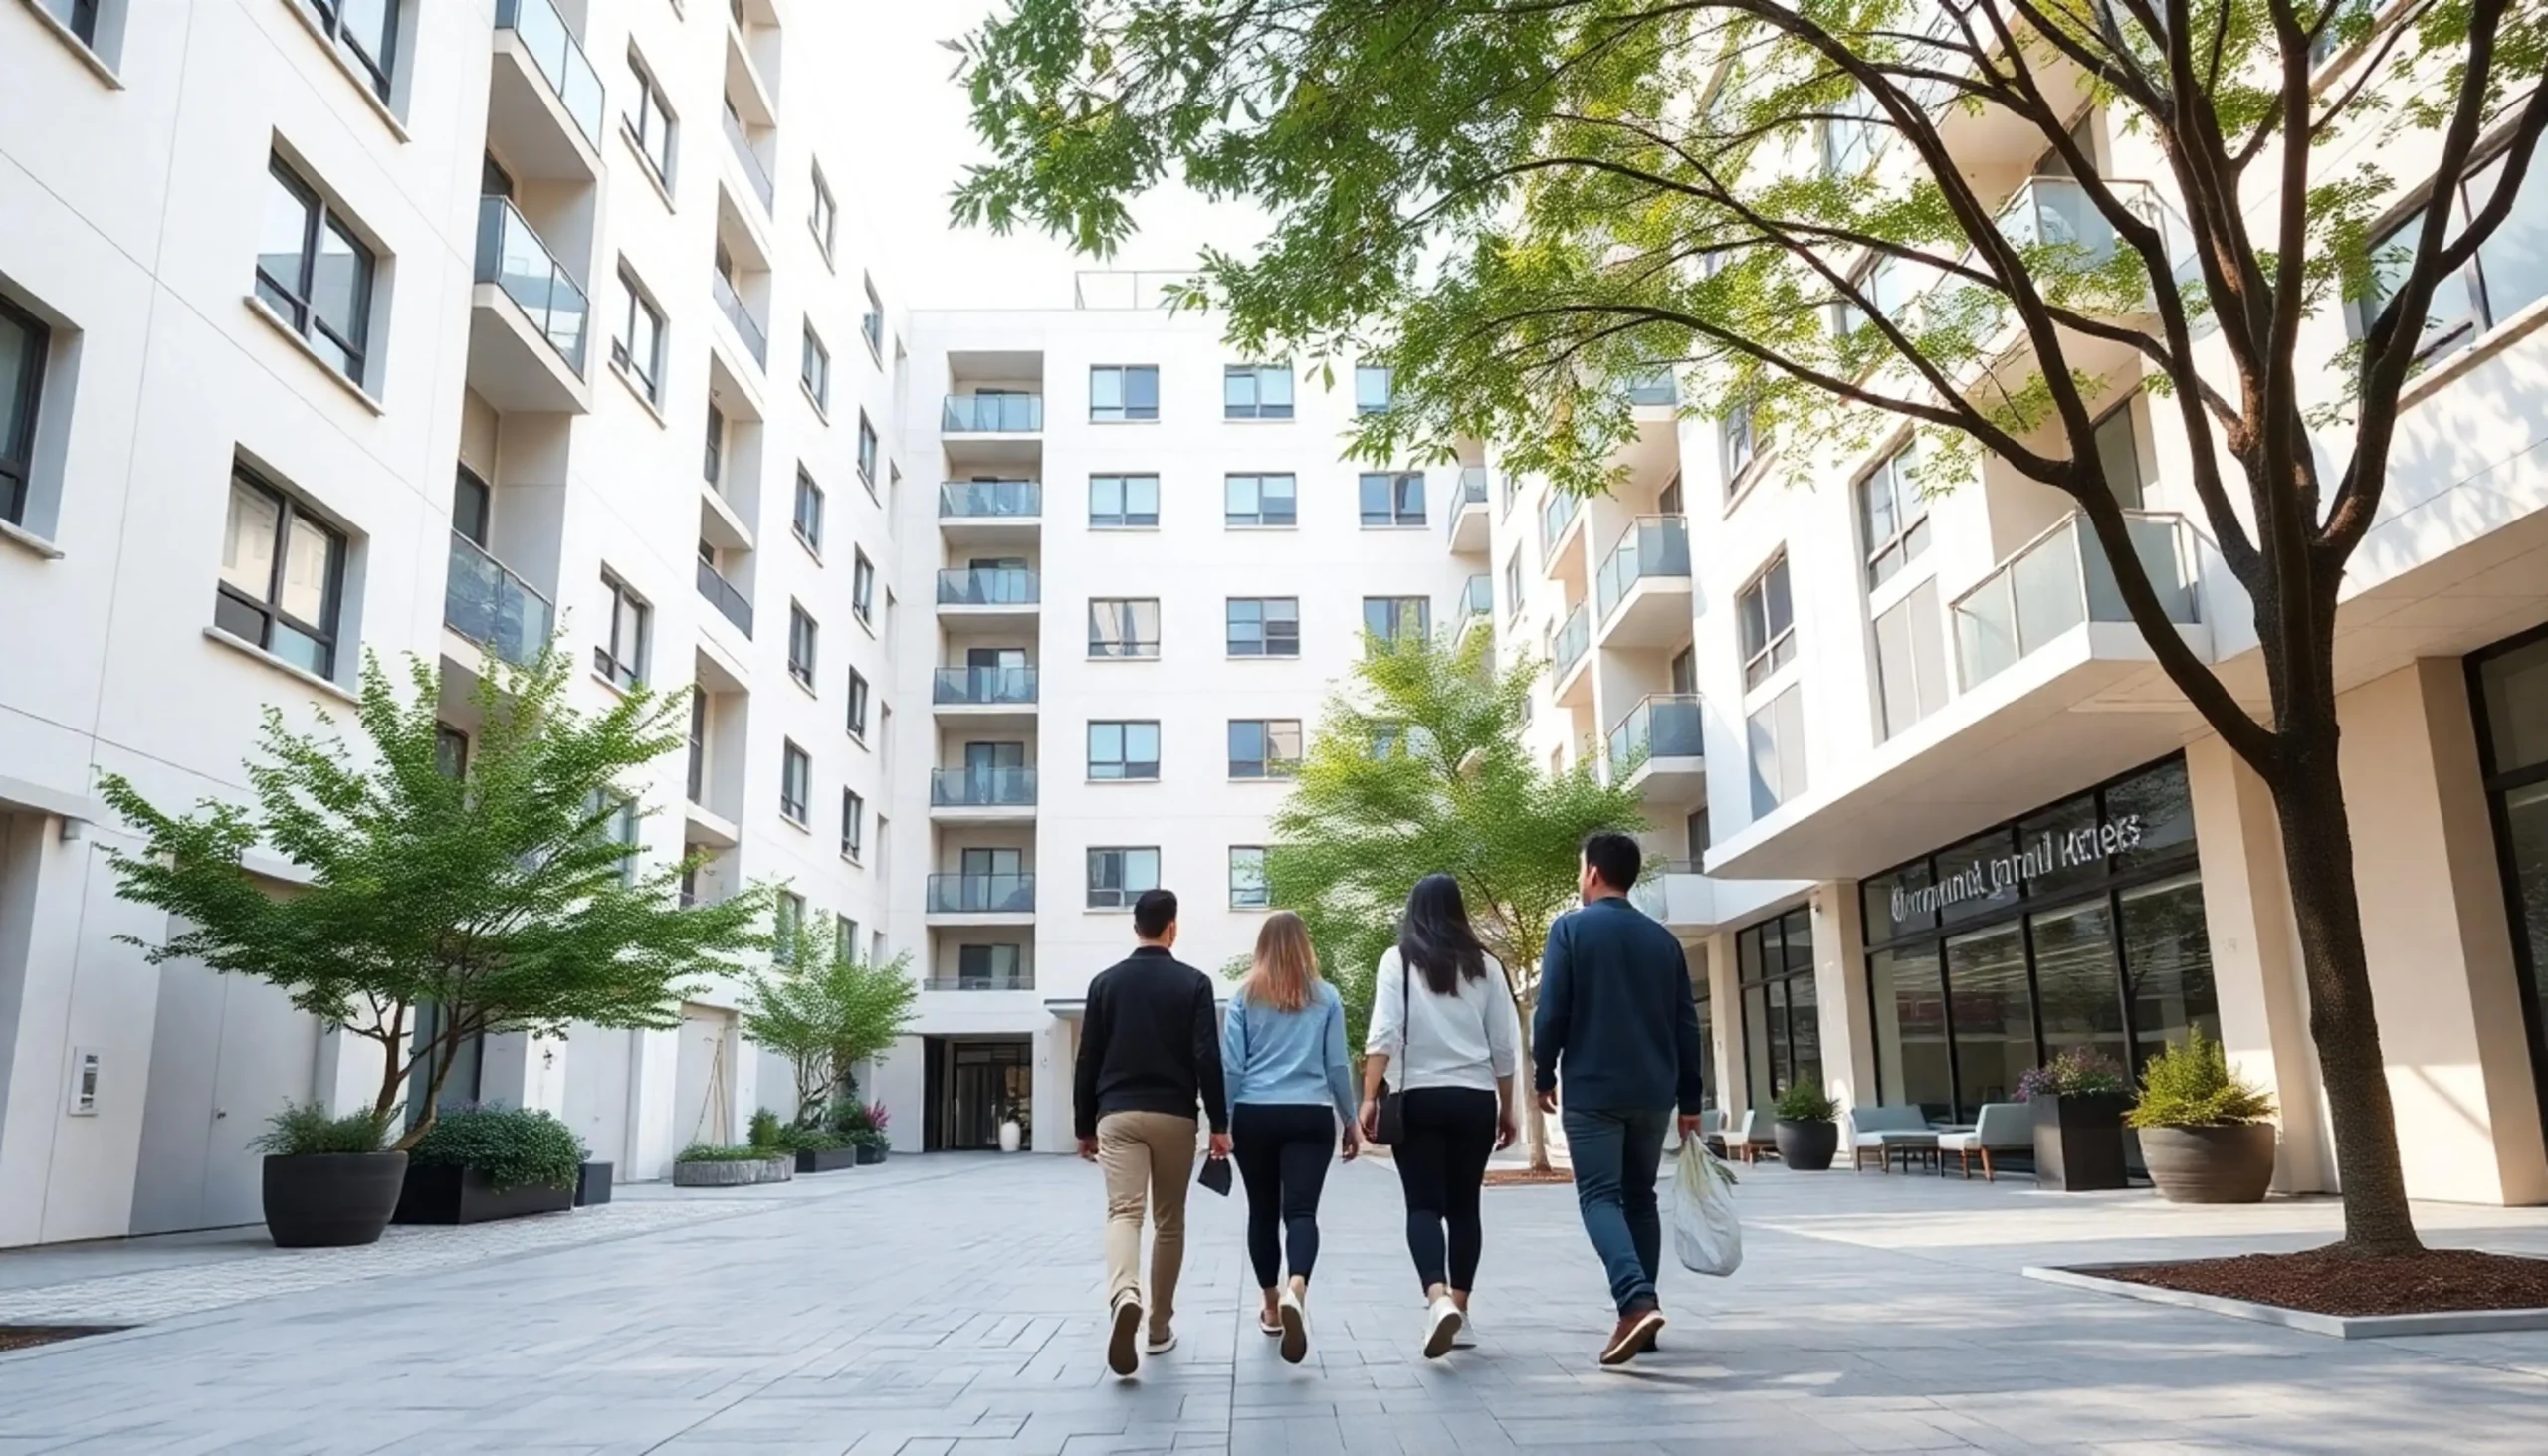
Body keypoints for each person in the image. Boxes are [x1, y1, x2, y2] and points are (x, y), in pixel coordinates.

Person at [1533, 831, 1707, 1367]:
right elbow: (1686, 1024)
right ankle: (1644, 1319)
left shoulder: (1570, 930)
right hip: (1654, 1093)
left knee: (1600, 1198)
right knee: (1640, 1199)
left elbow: (1552, 1010)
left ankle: (1635, 1301)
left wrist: (1543, 1072)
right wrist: (1691, 1101)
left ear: (1591, 873)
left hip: (1595, 1089)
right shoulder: (1664, 941)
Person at [1360, 873, 1521, 1359]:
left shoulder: (1399, 960)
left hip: (1419, 1097)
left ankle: (1436, 1299)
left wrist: (1369, 1095)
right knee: (1466, 1206)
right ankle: (1463, 1310)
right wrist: (1507, 1107)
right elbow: (1503, 1046)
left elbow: (1383, 1033)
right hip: (1474, 1099)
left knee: (1422, 1206)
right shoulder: (1487, 966)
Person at [1074, 888, 1229, 1378]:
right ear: (1172, 927)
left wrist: (1083, 1125)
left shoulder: (1105, 984)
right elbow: (1207, 1056)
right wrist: (1220, 1124)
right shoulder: (1194, 984)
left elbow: (1088, 1059)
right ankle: (1159, 1327)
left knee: (1124, 1212)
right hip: (1175, 1116)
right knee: (1170, 1221)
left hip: (1116, 1115)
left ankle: (1125, 1294)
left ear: (1134, 926)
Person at [1220, 911, 1361, 1364]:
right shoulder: (1326, 997)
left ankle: (1270, 1305)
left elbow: (1233, 1067)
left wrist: (1220, 1123)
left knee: (1262, 1211)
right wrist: (1351, 1119)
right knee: (1300, 1211)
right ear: (1305, 945)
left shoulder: (1244, 996)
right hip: (1310, 1114)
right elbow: (1337, 1065)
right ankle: (1297, 1287)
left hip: (1255, 1116)